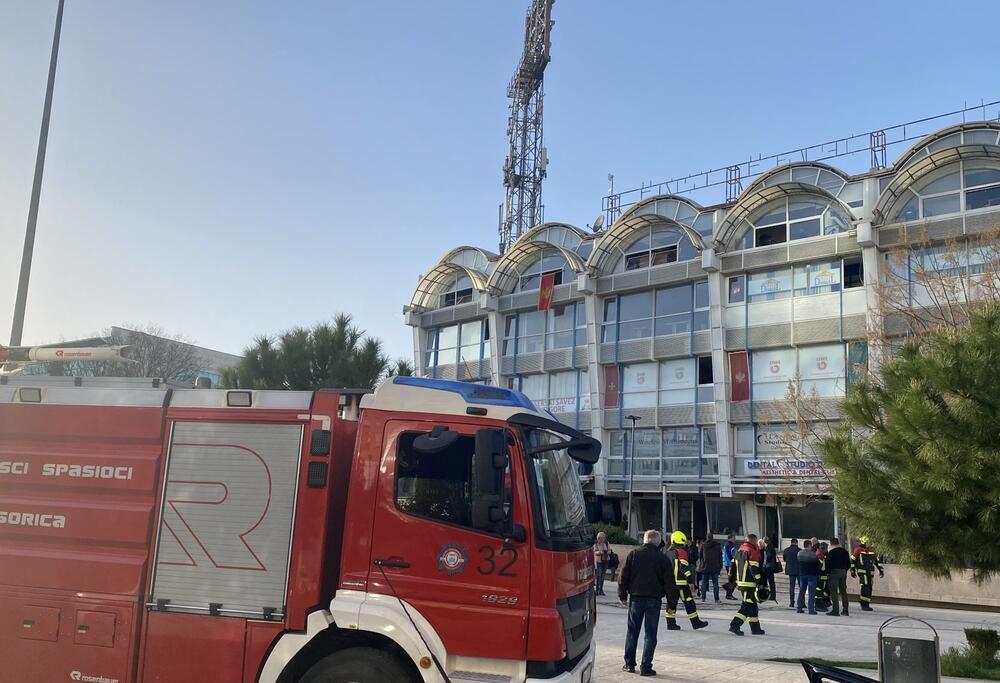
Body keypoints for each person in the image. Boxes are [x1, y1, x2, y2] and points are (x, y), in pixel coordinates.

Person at [619, 529, 671, 676]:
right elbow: (669, 583)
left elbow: (623, 576)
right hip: (654, 600)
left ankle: (629, 664)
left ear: (644, 540)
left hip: (636, 598)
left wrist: (622, 595)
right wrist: (671, 604)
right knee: (650, 634)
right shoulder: (662, 558)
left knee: (632, 632)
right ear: (657, 541)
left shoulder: (634, 554)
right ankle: (646, 666)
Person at [663, 531, 709, 631]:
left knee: (671, 603)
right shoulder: (681, 551)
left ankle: (670, 624)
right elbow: (684, 567)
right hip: (681, 583)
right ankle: (695, 622)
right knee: (689, 602)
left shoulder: (667, 552)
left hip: (670, 583)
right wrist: (691, 581)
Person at [728, 533, 765, 636]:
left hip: (741, 582)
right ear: (753, 540)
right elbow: (754, 569)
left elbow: (732, 567)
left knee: (752, 605)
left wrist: (731, 581)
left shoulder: (739, 550)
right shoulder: (751, 551)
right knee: (747, 605)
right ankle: (735, 625)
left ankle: (756, 628)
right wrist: (760, 583)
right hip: (749, 583)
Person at [852, 536, 884, 611]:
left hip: (870, 573)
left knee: (869, 588)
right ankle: (864, 604)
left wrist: (881, 570)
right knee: (866, 587)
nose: (870, 544)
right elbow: (852, 561)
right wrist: (852, 570)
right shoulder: (858, 550)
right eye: (868, 542)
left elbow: (877, 562)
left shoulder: (872, 551)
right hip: (862, 572)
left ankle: (866, 603)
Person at [825, 537, 851, 617]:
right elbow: (848, 563)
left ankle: (835, 610)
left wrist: (828, 572)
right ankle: (845, 610)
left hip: (834, 572)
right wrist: (844, 570)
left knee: (834, 591)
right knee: (843, 591)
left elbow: (829, 564)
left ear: (831, 544)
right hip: (843, 572)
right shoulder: (845, 552)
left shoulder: (832, 552)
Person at [796, 539, 820, 614]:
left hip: (802, 575)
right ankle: (811, 609)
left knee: (801, 591)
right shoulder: (813, 554)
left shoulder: (799, 553)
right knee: (811, 593)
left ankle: (799, 607)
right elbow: (817, 564)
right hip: (811, 575)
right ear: (810, 545)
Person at [700, 531, 723, 605]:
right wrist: (720, 566)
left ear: (707, 537)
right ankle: (716, 599)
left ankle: (703, 598)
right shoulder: (717, 546)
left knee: (704, 582)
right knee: (715, 583)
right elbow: (720, 557)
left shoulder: (703, 546)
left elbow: (700, 556)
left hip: (705, 567)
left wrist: (702, 565)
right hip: (715, 567)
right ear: (713, 537)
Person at [782, 539, 801, 608]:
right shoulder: (799, 550)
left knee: (791, 587)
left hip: (790, 570)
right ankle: (801, 602)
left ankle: (791, 602)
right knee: (801, 587)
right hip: (799, 570)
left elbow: (784, 559)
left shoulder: (786, 550)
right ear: (797, 543)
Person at [761, 537, 778, 604]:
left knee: (769, 582)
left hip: (768, 567)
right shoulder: (771, 547)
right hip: (770, 567)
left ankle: (770, 595)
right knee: (770, 582)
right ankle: (771, 595)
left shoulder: (768, 548)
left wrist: (763, 565)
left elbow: (767, 557)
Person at [593, 531, 611, 596]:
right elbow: (594, 552)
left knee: (603, 576)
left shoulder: (606, 543)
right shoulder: (596, 544)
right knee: (599, 576)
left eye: (603, 537)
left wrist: (607, 552)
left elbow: (609, 551)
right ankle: (597, 590)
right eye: (600, 538)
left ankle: (601, 590)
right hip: (599, 561)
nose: (601, 539)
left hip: (605, 561)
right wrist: (600, 552)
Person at [815, 542, 830, 612]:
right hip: (821, 577)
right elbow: (822, 567)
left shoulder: (821, 554)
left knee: (822, 591)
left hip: (823, 577)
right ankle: (818, 605)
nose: (827, 550)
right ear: (824, 548)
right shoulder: (820, 555)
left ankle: (823, 603)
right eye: (827, 549)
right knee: (819, 591)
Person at [722, 533, 738, 600]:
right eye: (734, 538)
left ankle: (727, 587)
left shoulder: (729, 545)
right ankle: (729, 594)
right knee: (733, 580)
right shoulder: (729, 545)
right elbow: (730, 555)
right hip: (730, 564)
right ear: (730, 538)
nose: (735, 539)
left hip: (729, 564)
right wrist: (734, 560)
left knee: (733, 579)